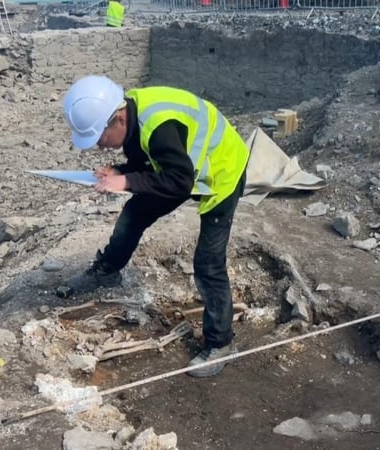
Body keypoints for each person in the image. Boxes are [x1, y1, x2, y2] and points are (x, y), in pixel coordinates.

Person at [61, 75, 249, 378]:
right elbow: (148, 160)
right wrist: (121, 171)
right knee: (135, 213)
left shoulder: (158, 126)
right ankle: (107, 271)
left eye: (99, 136)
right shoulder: (133, 113)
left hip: (221, 171)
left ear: (118, 118)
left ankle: (222, 343)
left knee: (208, 262)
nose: (98, 146)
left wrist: (126, 180)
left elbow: (179, 180)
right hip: (183, 169)